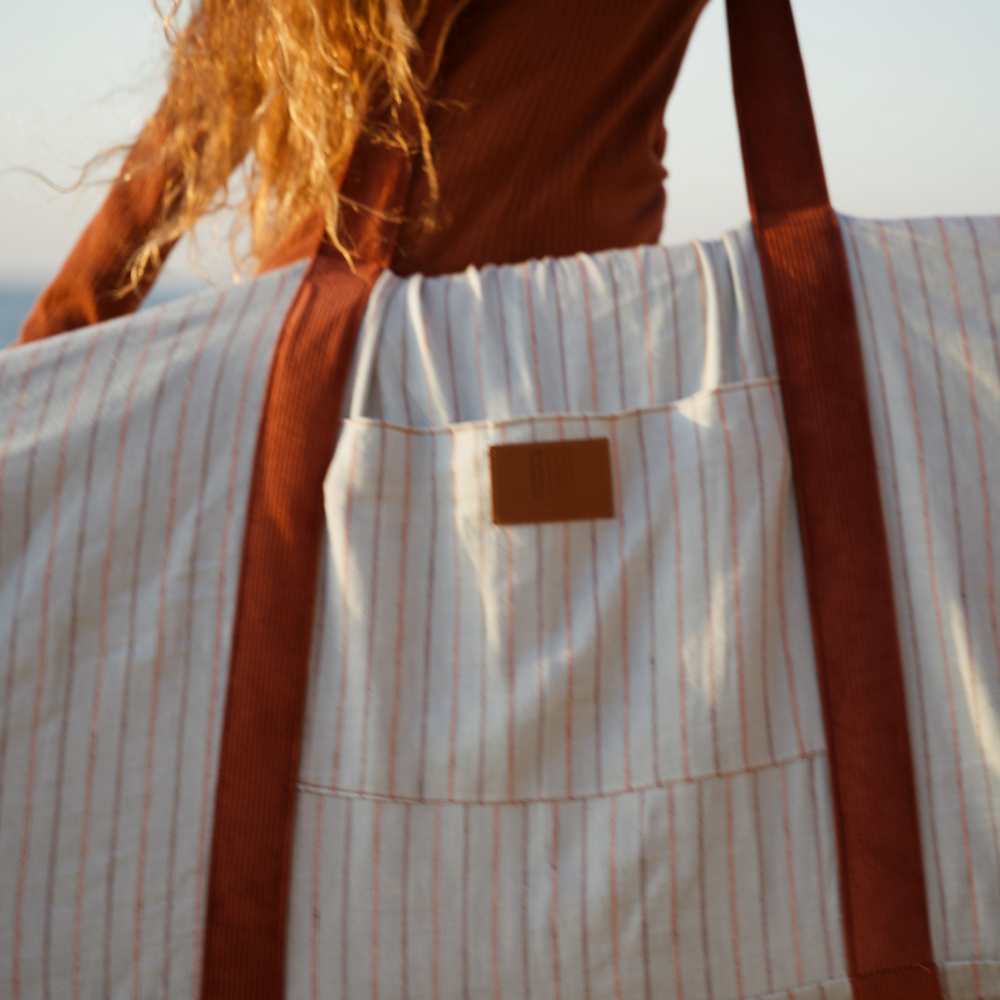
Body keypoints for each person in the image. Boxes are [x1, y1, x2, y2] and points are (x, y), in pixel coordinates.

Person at [19, 0, 708, 343]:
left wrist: (38, 368)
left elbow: (168, 164)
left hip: (331, 368)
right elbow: (174, 156)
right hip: (572, 365)